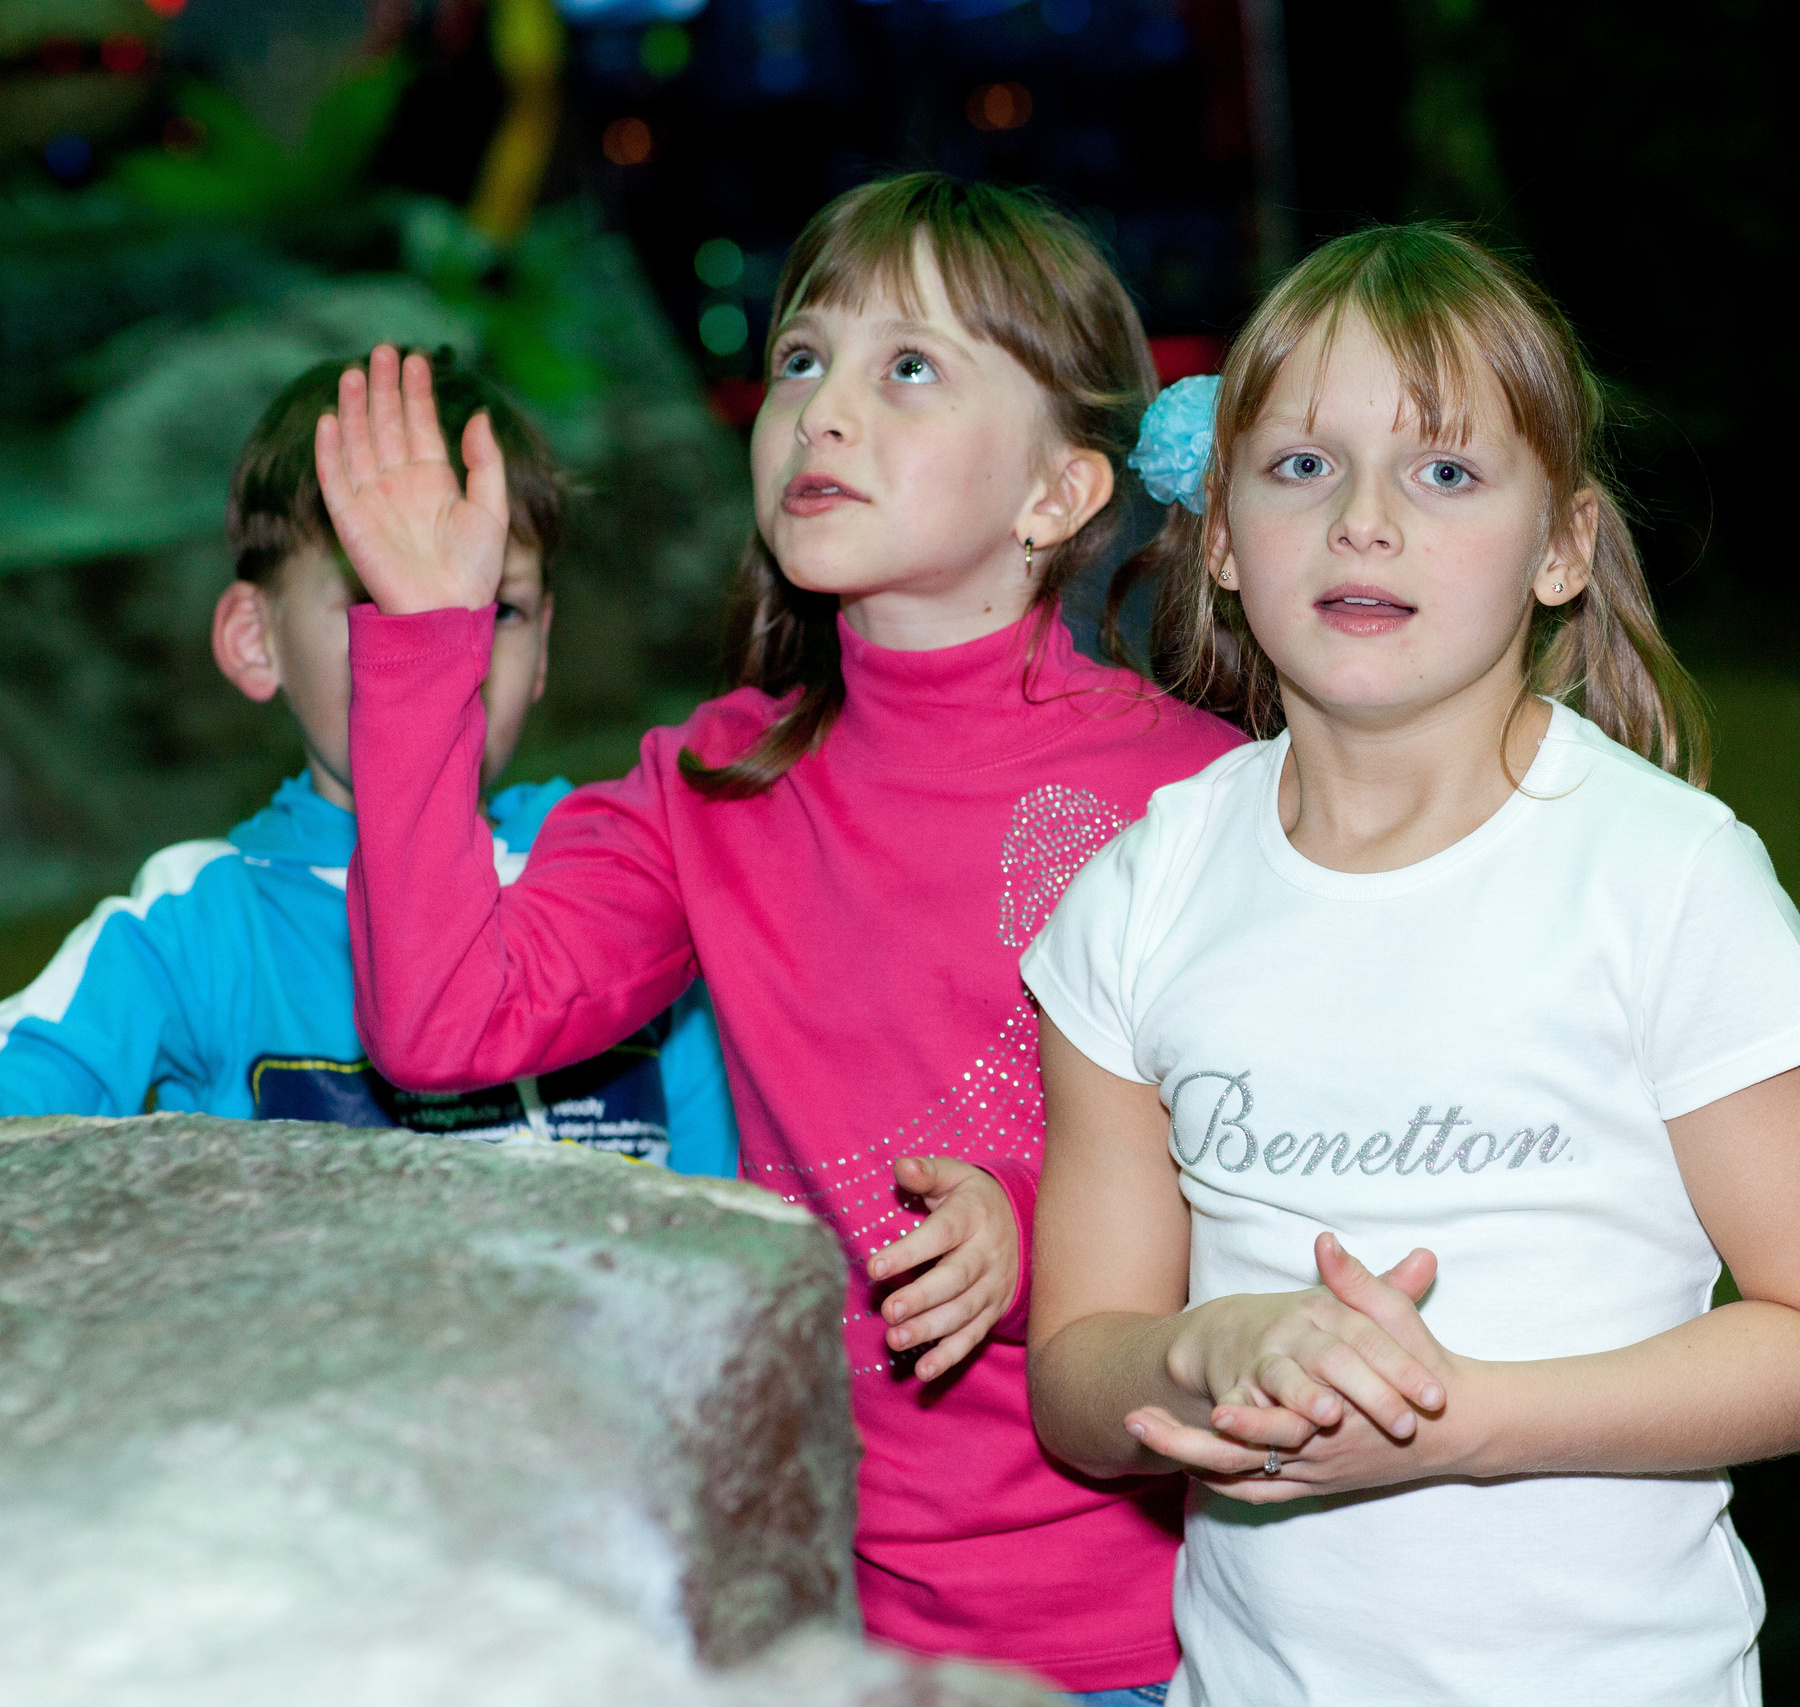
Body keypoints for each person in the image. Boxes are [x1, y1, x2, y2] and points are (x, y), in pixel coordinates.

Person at [316, 175, 1242, 1702]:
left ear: (1060, 493)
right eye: (803, 358)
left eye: (910, 366)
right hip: (831, 1621)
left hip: (1165, 1628)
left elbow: (1309, 1180)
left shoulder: (1201, 797)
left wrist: (1044, 1236)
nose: (823, 409)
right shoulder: (709, 787)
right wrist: (425, 638)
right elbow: (443, 1022)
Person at [1023, 225, 1800, 1707]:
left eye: (1444, 472)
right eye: (1302, 465)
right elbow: (1075, 1380)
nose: (1364, 520)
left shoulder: (1665, 877)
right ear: (1223, 534)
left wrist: (1468, 1422)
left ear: (1562, 545)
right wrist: (1205, 1350)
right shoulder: (1139, 894)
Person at [0, 351, 735, 1174]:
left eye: (497, 610)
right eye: (380, 602)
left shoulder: (622, 873)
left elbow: (734, 1209)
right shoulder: (192, 926)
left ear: (545, 645)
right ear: (256, 637)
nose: (450, 642)